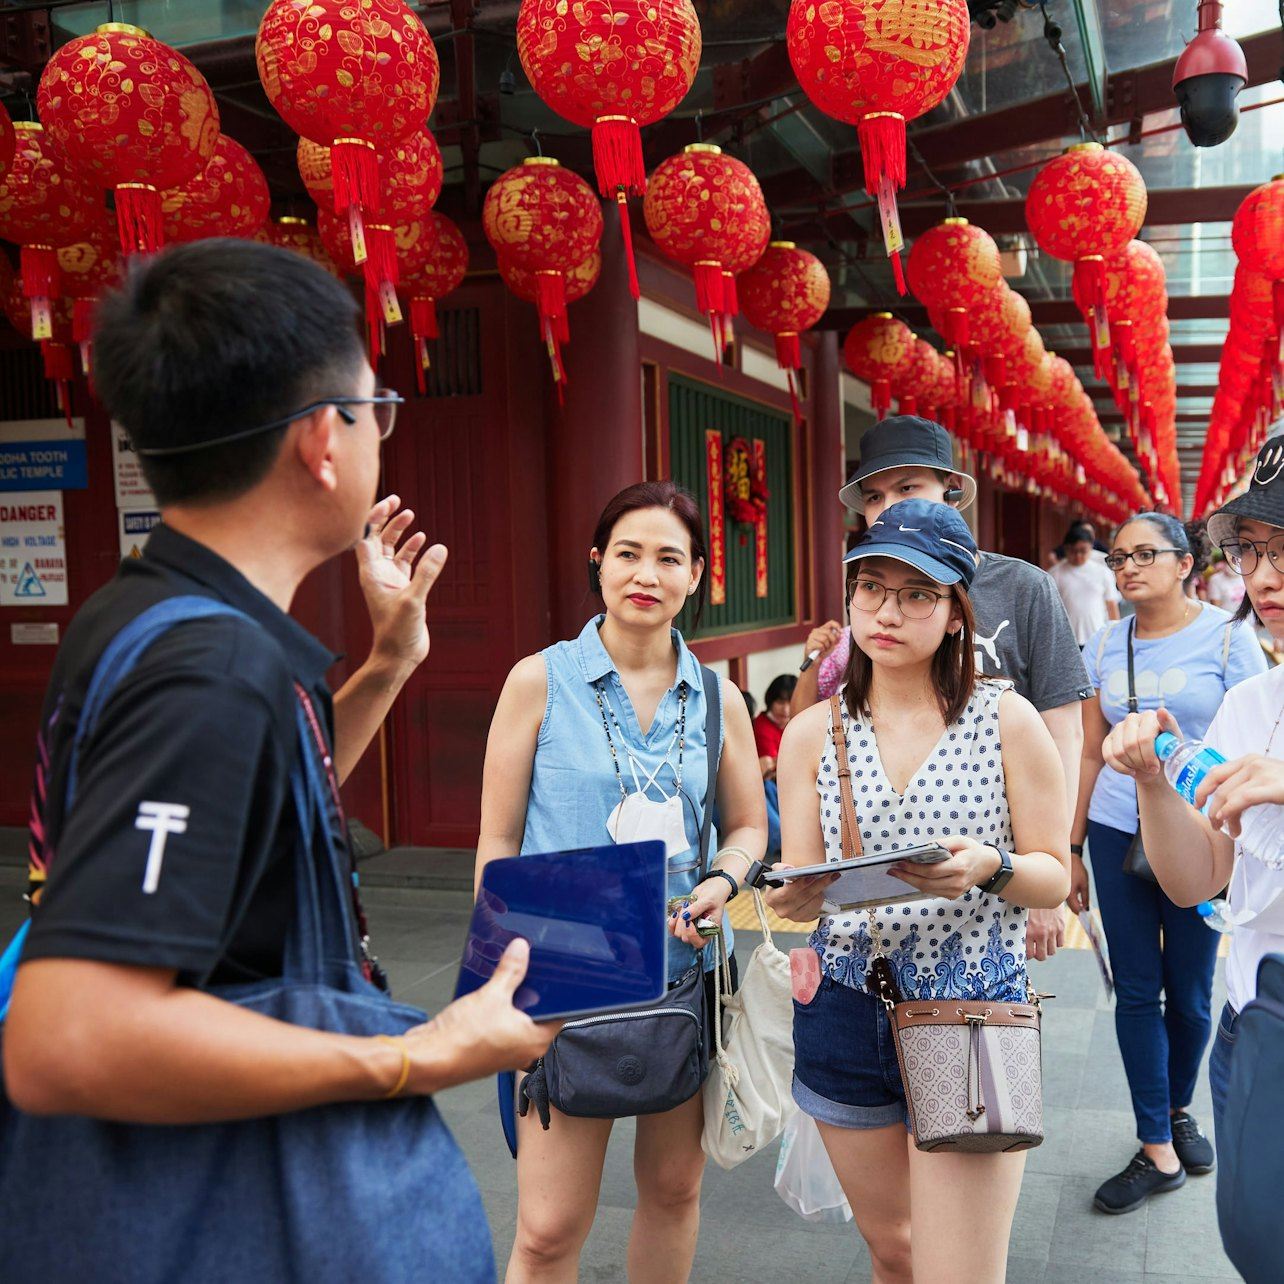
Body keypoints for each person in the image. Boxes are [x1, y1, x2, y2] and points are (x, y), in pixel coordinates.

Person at [1, 241, 555, 1278]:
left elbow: (251, 811)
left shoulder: (155, 612)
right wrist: (419, 1055)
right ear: (320, 440)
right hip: (218, 1208)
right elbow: (63, 1037)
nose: (381, 435)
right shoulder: (208, 667)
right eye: (373, 406)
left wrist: (389, 664)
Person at [767, 499, 1070, 1284]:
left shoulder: (1007, 720)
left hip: (970, 1010)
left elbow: (1052, 872)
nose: (887, 612)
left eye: (916, 595)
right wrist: (793, 899)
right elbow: (799, 885)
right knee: (894, 1250)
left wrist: (989, 867)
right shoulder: (813, 732)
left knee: (959, 1272)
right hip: (842, 1008)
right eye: (870, 588)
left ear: (957, 612)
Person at [477, 481, 768, 1283]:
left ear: (698, 575)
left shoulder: (720, 697)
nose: (647, 573)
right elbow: (497, 843)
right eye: (629, 553)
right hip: (562, 975)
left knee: (673, 1191)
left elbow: (748, 824)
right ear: (598, 561)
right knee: (546, 1226)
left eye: (669, 557)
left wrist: (723, 878)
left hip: (684, 973)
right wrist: (495, 982)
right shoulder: (538, 680)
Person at [791, 416, 1092, 962]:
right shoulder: (877, 593)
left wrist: (1049, 864)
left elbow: (1063, 731)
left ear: (951, 491)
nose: (889, 508)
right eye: (875, 496)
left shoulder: (1024, 588)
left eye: (907, 488)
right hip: (867, 933)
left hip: (991, 882)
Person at [1071, 512, 1267, 1214]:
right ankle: (1155, 1142)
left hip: (1204, 839)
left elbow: (1252, 742)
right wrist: (1069, 850)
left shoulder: (1230, 638)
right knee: (1135, 990)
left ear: (1186, 563)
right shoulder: (1101, 643)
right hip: (1116, 831)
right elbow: (1090, 752)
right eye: (1117, 557)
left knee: (1189, 994)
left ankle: (1178, 1109)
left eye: (1144, 554)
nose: (1127, 568)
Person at [1102, 444, 1284, 1140]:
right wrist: (1152, 783)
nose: (1262, 578)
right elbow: (1198, 880)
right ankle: (1162, 1129)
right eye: (1252, 552)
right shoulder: (1251, 704)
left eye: (1283, 550)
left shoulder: (1224, 647)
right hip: (1254, 1026)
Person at [1050, 521, 1121, 645]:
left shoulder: (1102, 571)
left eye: (1083, 551)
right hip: (1066, 640)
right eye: (1073, 551)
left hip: (1097, 636)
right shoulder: (1055, 574)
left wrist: (1117, 634)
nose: (1078, 556)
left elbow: (1111, 605)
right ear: (1065, 549)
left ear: (1091, 548)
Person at [753, 672, 797, 779]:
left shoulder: (796, 722)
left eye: (790, 702)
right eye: (780, 702)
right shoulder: (761, 728)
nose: (786, 710)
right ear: (770, 700)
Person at [1205, 549, 1247, 615]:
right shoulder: (1215, 580)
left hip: (1250, 623)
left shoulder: (1247, 576)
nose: (1233, 562)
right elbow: (1216, 608)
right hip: (1228, 623)